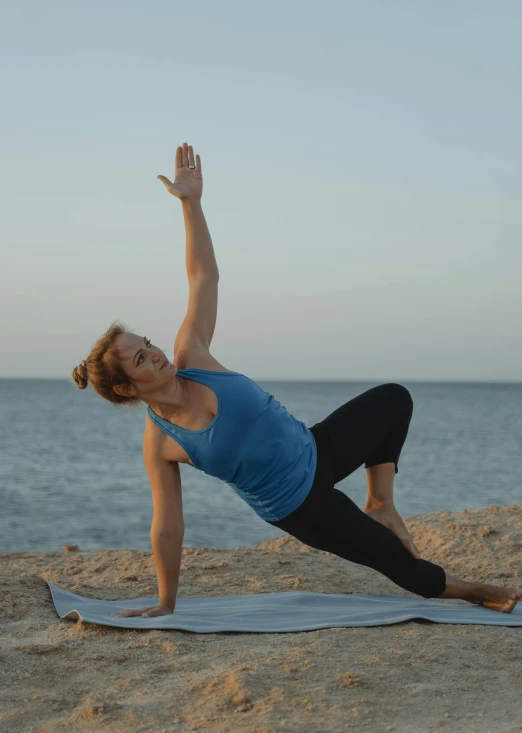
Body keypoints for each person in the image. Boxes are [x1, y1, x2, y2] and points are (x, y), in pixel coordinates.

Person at [72, 143, 522, 620]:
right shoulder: (161, 442)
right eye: (142, 358)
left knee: (395, 399)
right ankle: (473, 590)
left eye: (149, 342)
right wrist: (166, 601)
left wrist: (191, 204)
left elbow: (203, 275)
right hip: (299, 507)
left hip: (315, 448)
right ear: (126, 388)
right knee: (401, 565)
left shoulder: (193, 355)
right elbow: (167, 526)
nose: (158, 354)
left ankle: (380, 502)